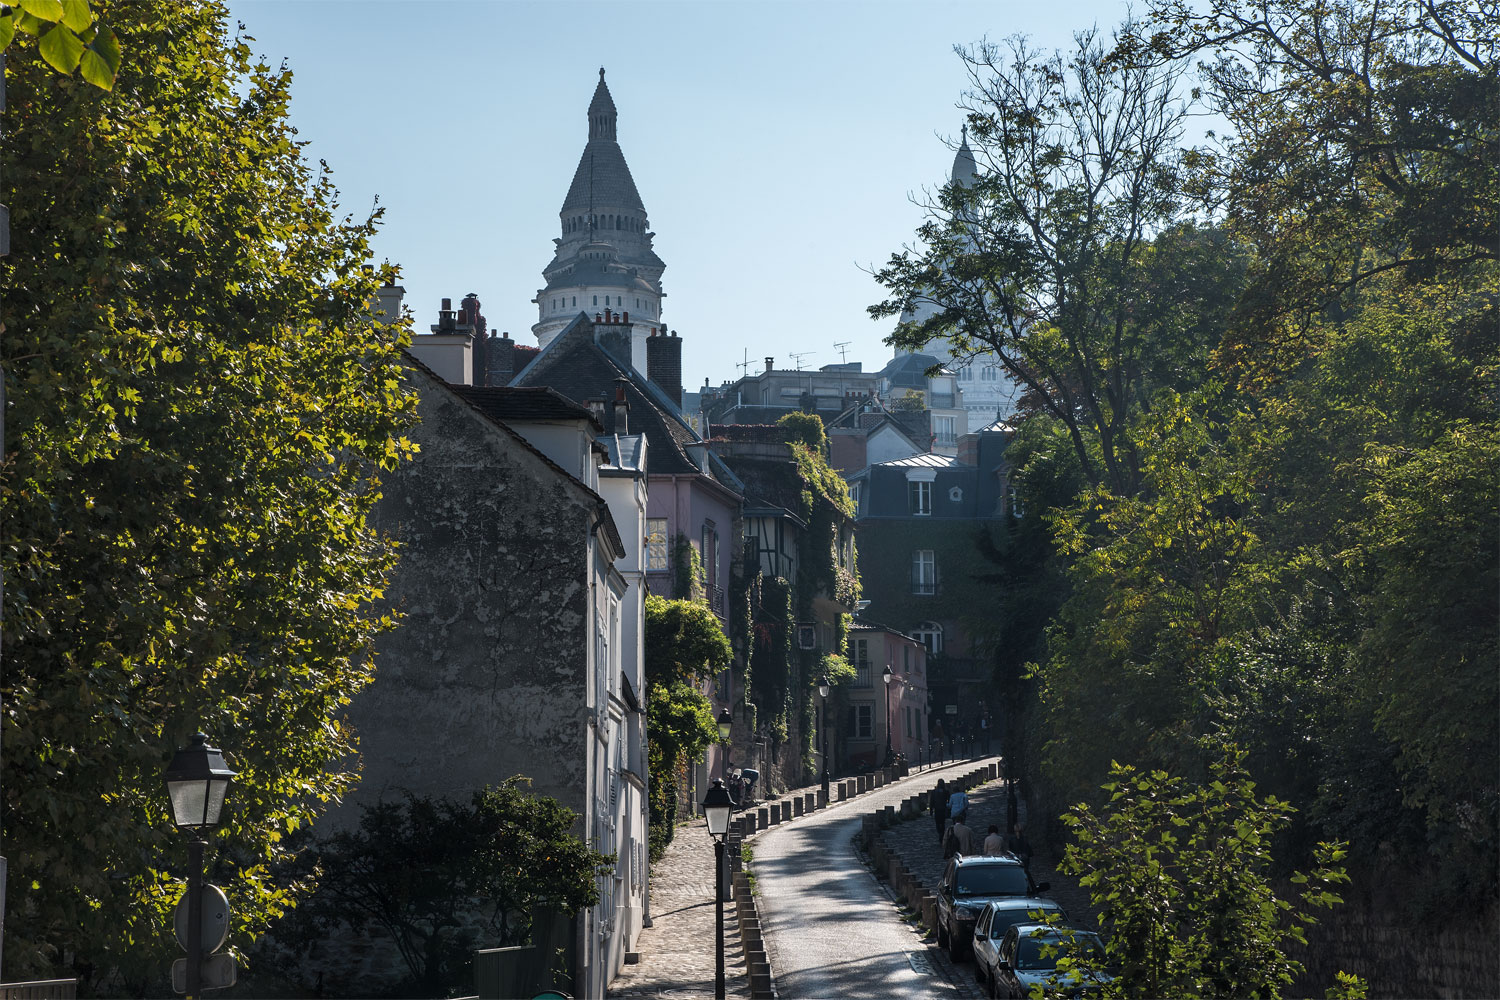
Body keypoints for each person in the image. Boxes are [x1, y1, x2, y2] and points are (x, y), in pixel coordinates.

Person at [929, 779, 949, 845]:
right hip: (943, 809)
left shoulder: (934, 792)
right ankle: (942, 834)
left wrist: (931, 810)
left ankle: (940, 833)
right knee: (942, 823)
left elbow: (931, 801)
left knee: (937, 823)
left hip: (937, 809)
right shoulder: (946, 791)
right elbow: (949, 800)